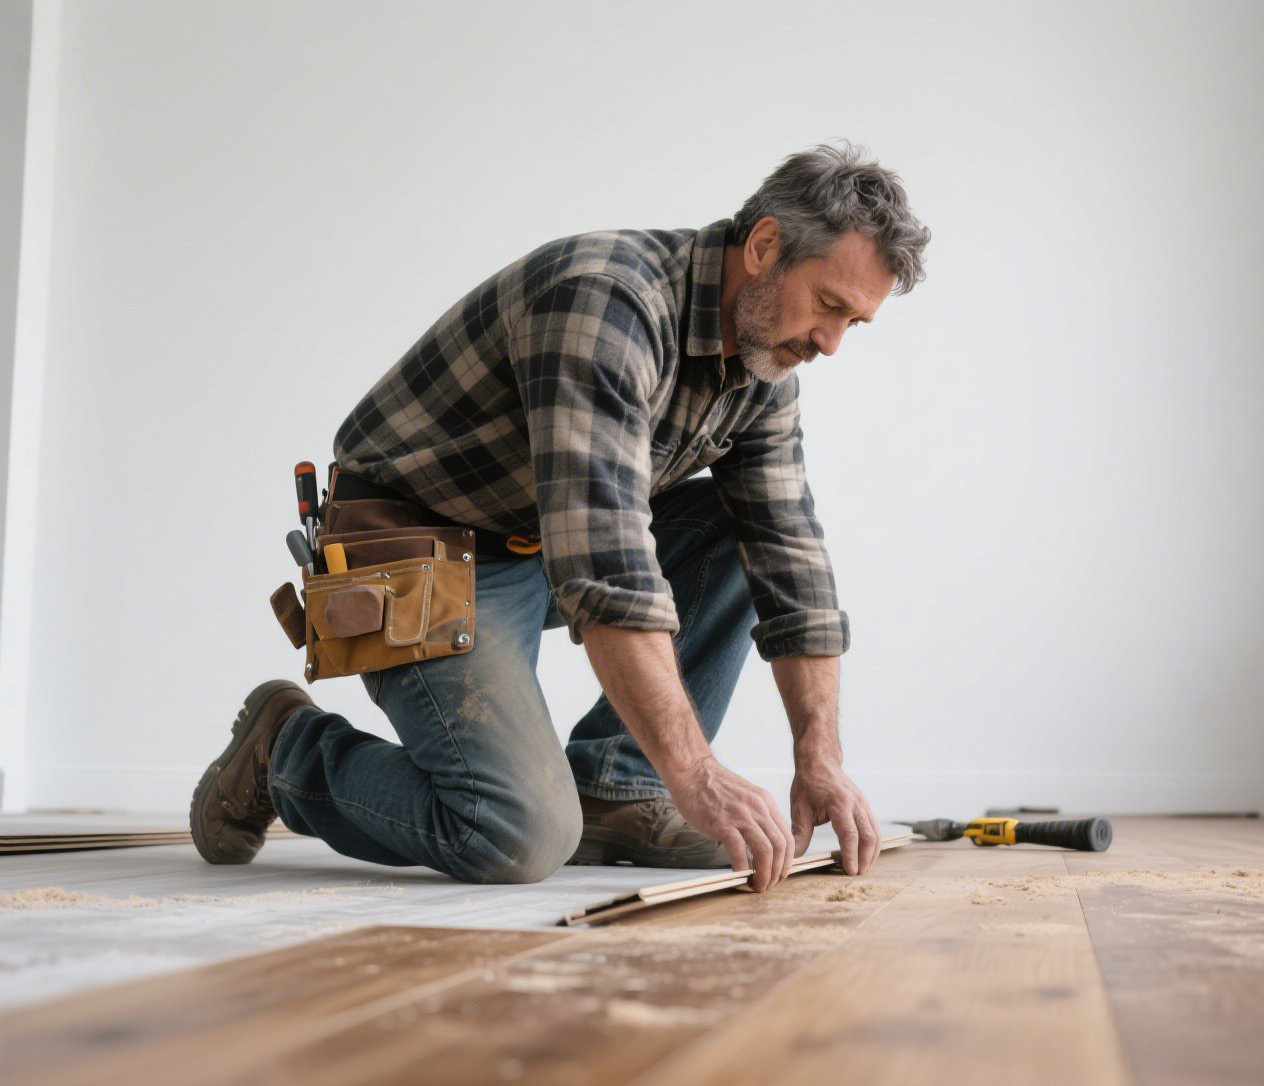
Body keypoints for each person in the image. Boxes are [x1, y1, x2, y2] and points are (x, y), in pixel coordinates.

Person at [190, 141, 930, 892]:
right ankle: (285, 748)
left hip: (541, 543)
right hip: (420, 551)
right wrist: (696, 771)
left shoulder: (768, 362)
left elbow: (789, 556)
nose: (832, 344)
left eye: (854, 324)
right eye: (829, 306)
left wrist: (820, 757)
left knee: (739, 531)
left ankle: (618, 785)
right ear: (766, 245)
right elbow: (605, 568)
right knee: (513, 833)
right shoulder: (605, 303)